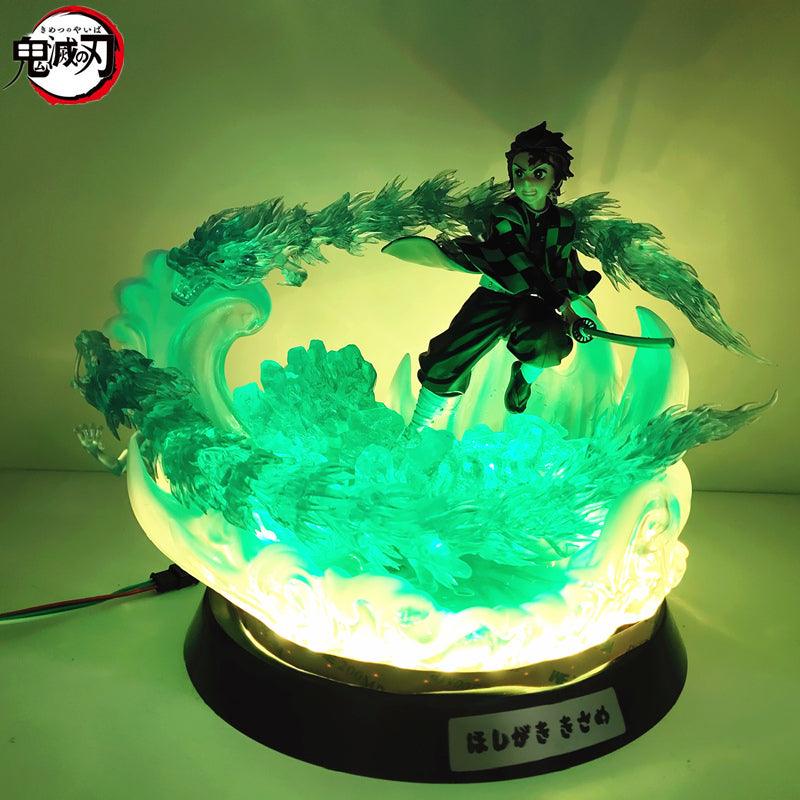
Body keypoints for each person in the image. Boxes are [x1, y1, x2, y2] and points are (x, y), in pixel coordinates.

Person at [381, 121, 601, 431]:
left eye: (538, 174)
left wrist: (569, 310)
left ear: (556, 178)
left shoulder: (564, 221)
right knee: (449, 355)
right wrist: (561, 304)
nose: (526, 184)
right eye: (519, 173)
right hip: (497, 293)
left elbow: (561, 264)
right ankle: (416, 430)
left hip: (537, 303)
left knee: (549, 341)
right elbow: (519, 262)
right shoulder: (505, 214)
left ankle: (523, 378)